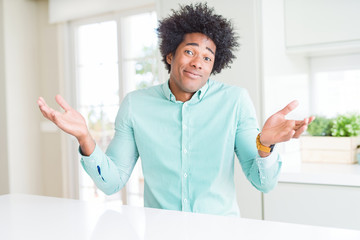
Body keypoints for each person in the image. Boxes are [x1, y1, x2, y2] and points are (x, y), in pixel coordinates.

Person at [38, 3, 314, 216]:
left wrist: (265, 145)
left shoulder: (235, 101)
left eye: (208, 57)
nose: (198, 62)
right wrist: (85, 138)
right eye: (190, 51)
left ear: (213, 66)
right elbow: (111, 183)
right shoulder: (136, 104)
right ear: (170, 55)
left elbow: (262, 182)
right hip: (160, 231)